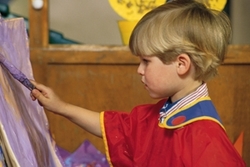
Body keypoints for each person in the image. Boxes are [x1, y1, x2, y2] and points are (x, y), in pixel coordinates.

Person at [31, 0, 246, 166]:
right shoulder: (162, 113)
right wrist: (60, 106)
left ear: (181, 64)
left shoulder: (206, 140)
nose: (139, 70)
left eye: (146, 61)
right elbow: (113, 127)